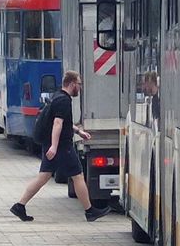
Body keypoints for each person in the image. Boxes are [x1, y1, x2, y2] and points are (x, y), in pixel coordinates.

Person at [11, 70, 110, 223]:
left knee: (43, 177)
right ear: (72, 84)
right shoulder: (64, 101)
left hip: (53, 144)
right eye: (79, 84)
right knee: (77, 176)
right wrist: (55, 147)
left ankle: (19, 205)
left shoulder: (57, 96)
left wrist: (79, 132)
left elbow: (63, 123)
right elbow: (58, 123)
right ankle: (90, 211)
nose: (80, 87)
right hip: (62, 146)